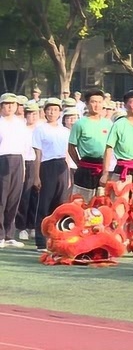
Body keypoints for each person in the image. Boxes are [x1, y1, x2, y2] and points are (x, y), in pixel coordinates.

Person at [100, 91, 133, 257]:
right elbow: (109, 148)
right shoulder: (118, 124)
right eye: (132, 102)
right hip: (122, 168)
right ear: (125, 105)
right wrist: (105, 172)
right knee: (119, 207)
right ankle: (117, 243)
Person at [33, 98, 71, 251]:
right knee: (44, 204)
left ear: (60, 112)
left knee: (60, 205)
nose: (52, 112)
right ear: (45, 112)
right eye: (49, 110)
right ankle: (41, 240)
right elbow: (38, 153)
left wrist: (68, 175)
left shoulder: (65, 131)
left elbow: (67, 153)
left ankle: (57, 239)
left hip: (62, 166)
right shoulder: (40, 129)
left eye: (55, 110)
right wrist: (36, 175)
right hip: (47, 166)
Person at [68, 89, 111, 202]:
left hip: (104, 167)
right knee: (82, 201)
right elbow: (71, 146)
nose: (97, 105)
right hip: (86, 167)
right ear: (87, 104)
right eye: (93, 102)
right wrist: (79, 163)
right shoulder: (80, 124)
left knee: (103, 202)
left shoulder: (108, 124)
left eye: (99, 102)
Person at [0, 93, 28, 248]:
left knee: (14, 199)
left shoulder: (20, 123)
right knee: (1, 199)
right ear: (1, 106)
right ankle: (0, 235)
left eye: (13, 104)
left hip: (18, 160)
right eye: (6, 104)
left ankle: (10, 234)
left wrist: (23, 167)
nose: (10, 107)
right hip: (2, 159)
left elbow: (24, 147)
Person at [16, 102, 40, 240]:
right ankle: (22, 226)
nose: (32, 116)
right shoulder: (21, 129)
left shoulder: (41, 128)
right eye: (30, 114)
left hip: (40, 163)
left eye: (35, 113)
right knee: (24, 195)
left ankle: (32, 225)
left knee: (36, 196)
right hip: (26, 162)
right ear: (25, 115)